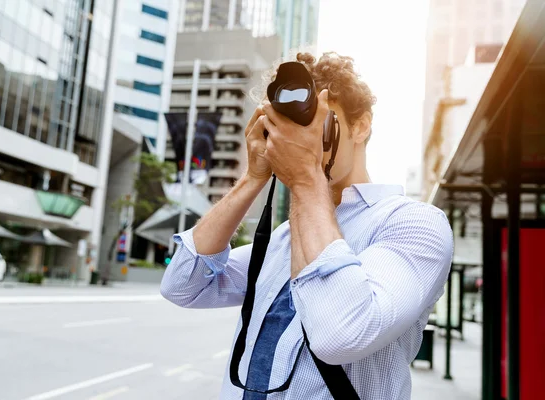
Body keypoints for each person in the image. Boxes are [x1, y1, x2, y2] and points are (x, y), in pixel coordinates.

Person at [160, 52, 453, 400]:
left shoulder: (412, 223)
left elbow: (341, 335)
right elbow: (183, 285)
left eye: (318, 123)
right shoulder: (287, 235)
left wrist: (304, 177)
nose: (303, 139)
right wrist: (254, 177)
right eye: (292, 128)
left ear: (360, 126)